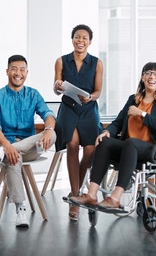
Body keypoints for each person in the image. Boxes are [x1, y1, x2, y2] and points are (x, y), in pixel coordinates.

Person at [69, 62, 156, 210]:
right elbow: (118, 122)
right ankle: (91, 194)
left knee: (131, 142)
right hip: (129, 146)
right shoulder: (134, 99)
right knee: (104, 141)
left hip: (152, 147)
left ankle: (115, 198)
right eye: (148, 73)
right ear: (142, 77)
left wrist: (141, 114)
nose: (152, 76)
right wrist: (107, 132)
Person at [0, 55, 56, 227]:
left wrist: (48, 129)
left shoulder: (33, 94)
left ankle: (5, 151)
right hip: (5, 143)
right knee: (13, 157)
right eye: (14, 69)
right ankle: (21, 209)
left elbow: (48, 114)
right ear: (7, 71)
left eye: (22, 69)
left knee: (53, 135)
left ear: (26, 72)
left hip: (27, 146)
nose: (18, 73)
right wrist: (6, 146)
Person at [53, 24, 103, 221]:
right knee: (72, 145)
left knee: (90, 152)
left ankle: (78, 190)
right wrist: (58, 86)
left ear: (89, 42)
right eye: (77, 37)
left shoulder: (97, 63)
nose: (80, 40)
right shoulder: (61, 61)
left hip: (89, 109)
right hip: (68, 109)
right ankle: (75, 197)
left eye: (84, 38)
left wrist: (90, 98)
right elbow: (57, 88)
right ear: (72, 39)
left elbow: (98, 91)